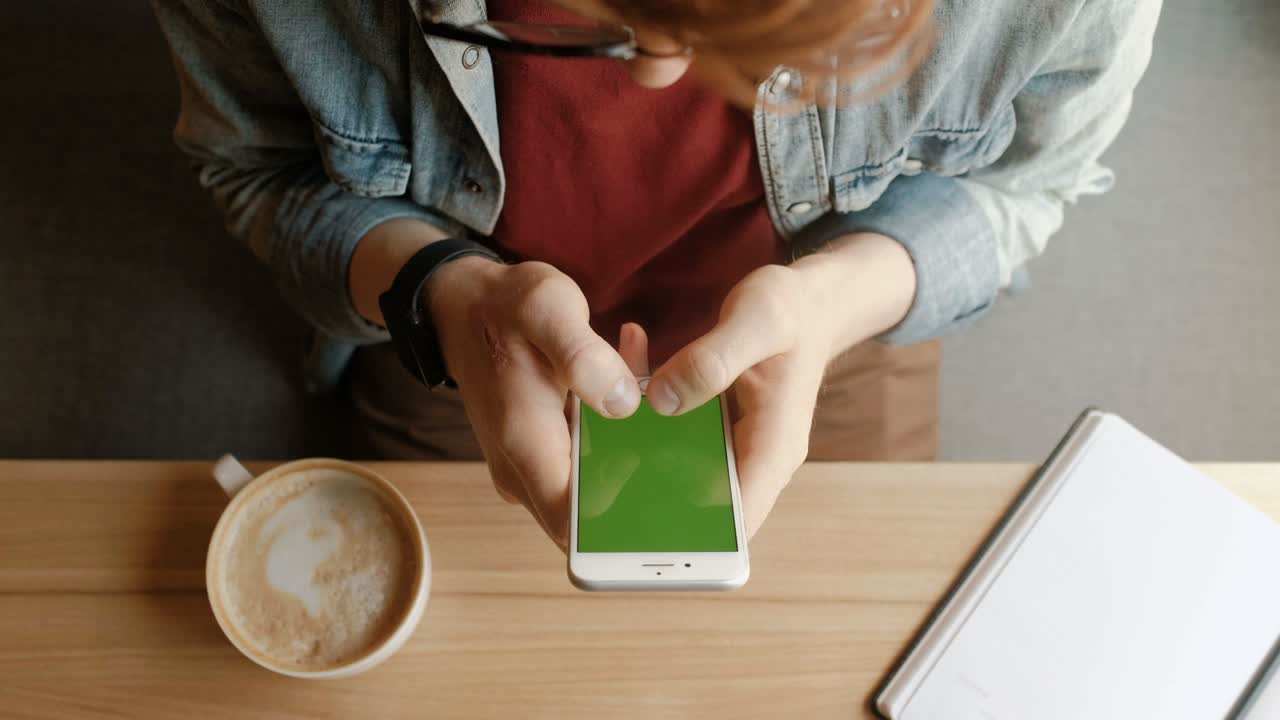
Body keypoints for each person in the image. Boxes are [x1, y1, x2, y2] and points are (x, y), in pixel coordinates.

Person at [152, 0, 1161, 547]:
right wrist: (439, 294)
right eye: (590, 15)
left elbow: (1027, 188)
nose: (654, 71)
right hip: (458, 345)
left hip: (840, 329)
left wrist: (829, 302)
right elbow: (258, 171)